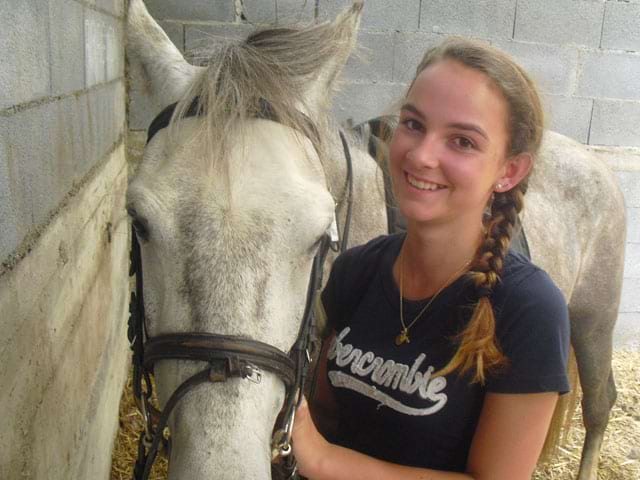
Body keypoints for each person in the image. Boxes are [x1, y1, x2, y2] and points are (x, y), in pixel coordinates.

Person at [291, 37, 571, 480]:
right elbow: (325, 420)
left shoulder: (529, 308)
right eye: (414, 124)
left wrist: (324, 462)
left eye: (462, 141)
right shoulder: (355, 270)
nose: (421, 156)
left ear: (509, 171)